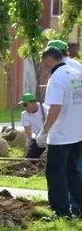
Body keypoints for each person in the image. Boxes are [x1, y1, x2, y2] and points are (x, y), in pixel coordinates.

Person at [36, 46, 82, 217]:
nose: (44, 67)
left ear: (49, 59)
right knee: (73, 172)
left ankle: (61, 211)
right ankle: (79, 206)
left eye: (44, 62)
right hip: (78, 134)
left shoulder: (57, 78)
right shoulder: (76, 74)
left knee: (55, 173)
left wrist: (44, 131)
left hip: (61, 136)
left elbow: (55, 108)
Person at [19, 92, 48, 159]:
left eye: (25, 105)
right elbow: (28, 131)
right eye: (23, 105)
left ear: (33, 102)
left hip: (51, 137)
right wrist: (28, 141)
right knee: (30, 158)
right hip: (38, 138)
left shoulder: (45, 109)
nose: (24, 107)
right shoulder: (24, 114)